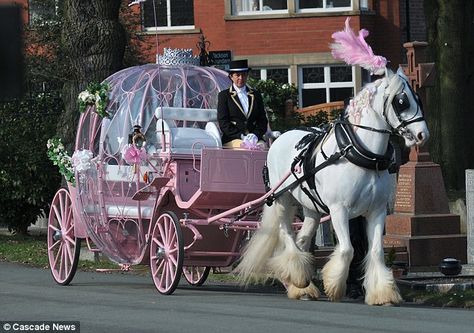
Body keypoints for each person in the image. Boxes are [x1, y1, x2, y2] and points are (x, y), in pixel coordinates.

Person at [217, 59, 268, 149]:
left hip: (254, 138)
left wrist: (255, 135)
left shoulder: (256, 95)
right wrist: (241, 136)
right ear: (231, 77)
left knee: (261, 147)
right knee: (244, 148)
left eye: (244, 75)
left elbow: (262, 120)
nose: (241, 78)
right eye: (237, 75)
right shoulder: (224, 95)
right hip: (233, 138)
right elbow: (223, 122)